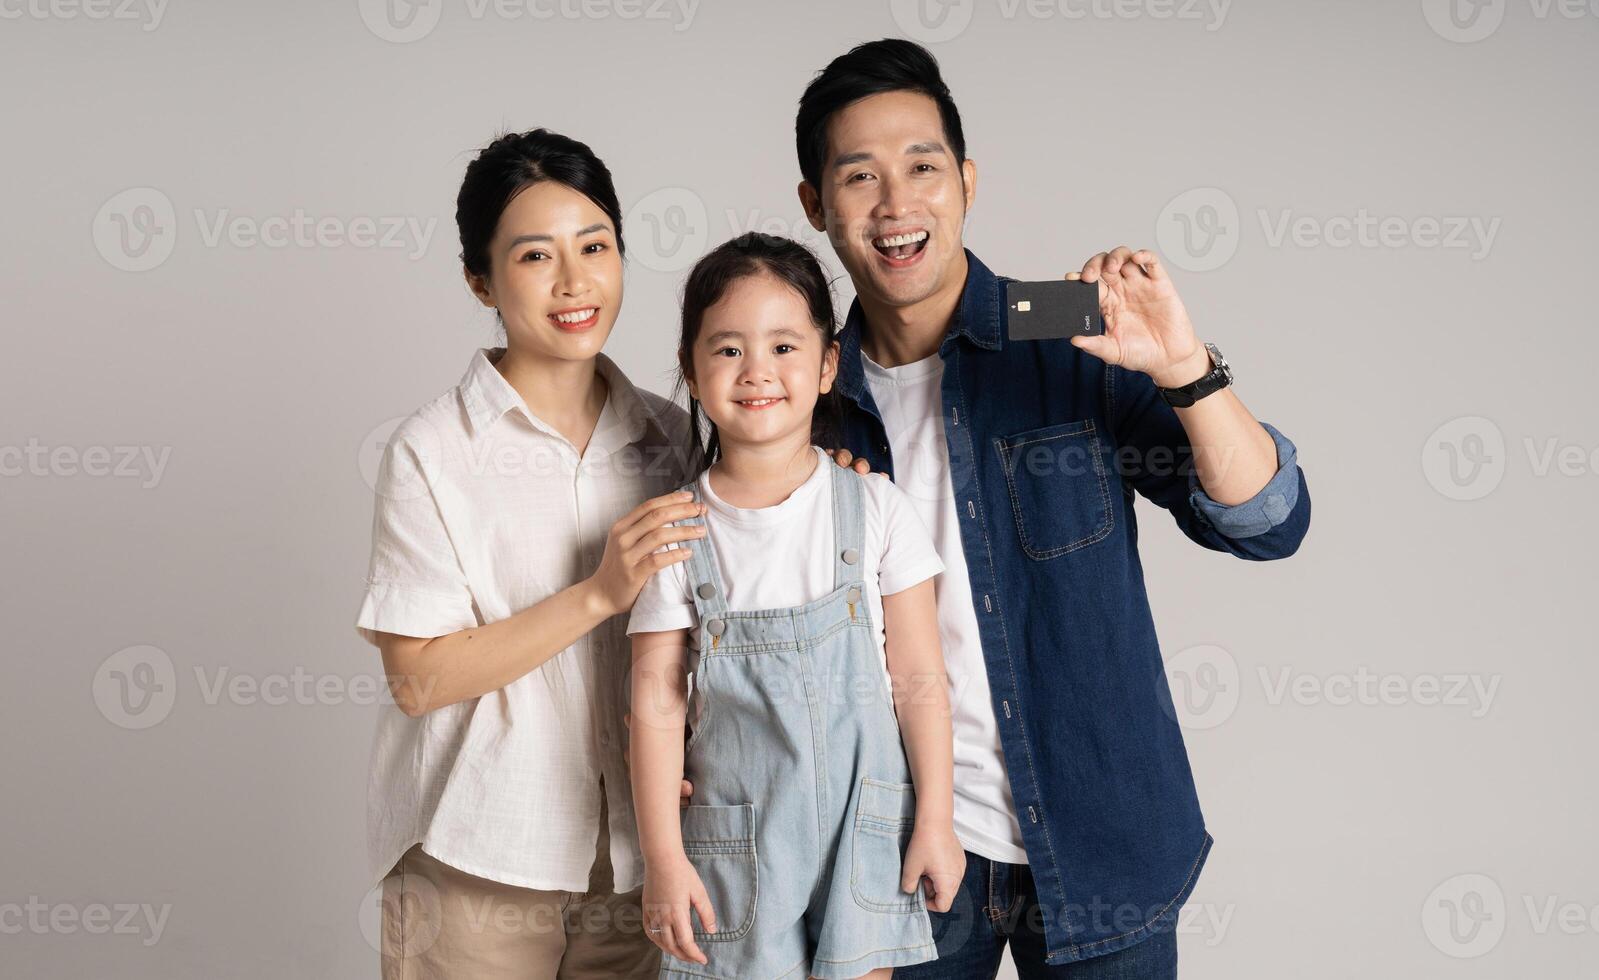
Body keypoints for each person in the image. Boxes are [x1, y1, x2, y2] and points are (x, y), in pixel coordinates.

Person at [787, 39, 1313, 978]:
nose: (896, 204)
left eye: (922, 167)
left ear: (967, 180)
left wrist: (1186, 372)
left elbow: (1268, 521)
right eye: (859, 176)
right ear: (816, 206)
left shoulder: (1068, 326)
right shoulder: (797, 396)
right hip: (901, 856)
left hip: (1099, 839)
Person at [355, 128, 706, 979]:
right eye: (534, 256)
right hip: (477, 856)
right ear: (480, 280)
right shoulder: (431, 451)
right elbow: (418, 677)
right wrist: (596, 593)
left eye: (595, 246)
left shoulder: (673, 436)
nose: (574, 281)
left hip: (634, 856)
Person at [627, 233, 967, 980]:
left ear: (826, 365)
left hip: (863, 827)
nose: (757, 372)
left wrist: (935, 818)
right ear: (689, 366)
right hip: (734, 843)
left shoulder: (875, 507)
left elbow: (917, 674)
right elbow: (653, 701)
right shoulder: (675, 531)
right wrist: (662, 857)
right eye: (726, 350)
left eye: (784, 347)